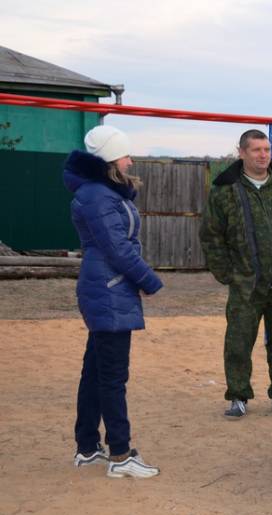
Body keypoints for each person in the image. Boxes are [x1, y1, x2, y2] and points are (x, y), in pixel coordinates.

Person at [200, 129, 272, 419]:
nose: (263, 155)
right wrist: (227, 273)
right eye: (256, 150)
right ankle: (238, 395)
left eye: (266, 149)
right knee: (239, 341)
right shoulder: (224, 190)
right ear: (242, 153)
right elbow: (211, 236)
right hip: (246, 284)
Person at [64, 125, 162, 478]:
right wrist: (149, 281)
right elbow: (118, 248)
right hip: (109, 287)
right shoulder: (98, 196)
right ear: (109, 159)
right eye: (125, 154)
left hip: (108, 286)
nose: (130, 160)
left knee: (95, 372)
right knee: (112, 377)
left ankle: (88, 448)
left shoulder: (102, 192)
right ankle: (121, 455)